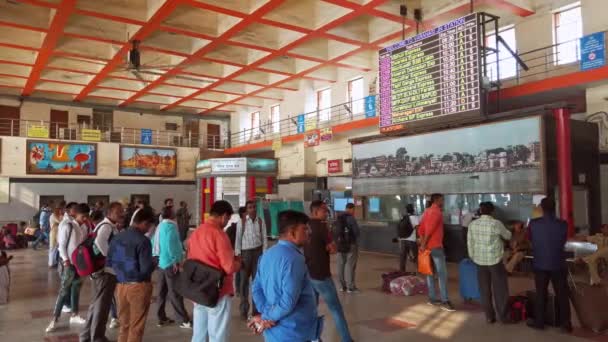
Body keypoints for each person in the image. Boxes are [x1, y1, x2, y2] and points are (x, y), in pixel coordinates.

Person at [250, 210, 322, 342]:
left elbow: (256, 288)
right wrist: (267, 316)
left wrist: (265, 314)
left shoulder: (267, 255)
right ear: (292, 233)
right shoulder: (294, 259)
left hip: (274, 333)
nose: (308, 232)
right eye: (304, 229)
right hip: (294, 332)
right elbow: (287, 303)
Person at [188, 200, 241, 342]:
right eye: (228, 219)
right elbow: (229, 267)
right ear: (224, 216)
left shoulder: (196, 232)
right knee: (218, 334)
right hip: (217, 291)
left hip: (198, 289)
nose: (227, 223)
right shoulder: (219, 235)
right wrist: (238, 263)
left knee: (198, 334)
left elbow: (190, 261)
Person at [304, 200, 353, 342]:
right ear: (316, 211)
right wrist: (331, 246)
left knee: (311, 310)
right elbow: (333, 249)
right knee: (336, 309)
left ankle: (314, 338)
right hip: (321, 275)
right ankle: (346, 339)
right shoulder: (322, 227)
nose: (326, 213)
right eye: (324, 210)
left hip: (308, 274)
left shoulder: (305, 226)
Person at [107, 207, 157, 342]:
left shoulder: (117, 237)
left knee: (124, 325)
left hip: (121, 286)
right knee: (136, 327)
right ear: (144, 223)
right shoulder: (143, 241)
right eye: (149, 226)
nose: (149, 230)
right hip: (138, 287)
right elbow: (145, 269)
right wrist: (154, 262)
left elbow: (110, 262)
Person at [80, 202, 124, 342]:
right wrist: (111, 259)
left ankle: (86, 335)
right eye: (118, 212)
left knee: (96, 304)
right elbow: (100, 242)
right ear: (109, 213)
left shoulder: (107, 226)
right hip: (105, 272)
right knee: (102, 306)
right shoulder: (106, 227)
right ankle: (97, 337)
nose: (121, 214)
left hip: (101, 271)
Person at [527, 197, 572, 333]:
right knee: (562, 294)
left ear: (541, 208)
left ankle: (539, 322)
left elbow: (531, 240)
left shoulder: (533, 224)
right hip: (558, 263)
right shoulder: (563, 224)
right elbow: (563, 241)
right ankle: (565, 324)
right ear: (555, 207)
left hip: (540, 264)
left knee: (541, 293)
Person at [46, 203, 91, 333]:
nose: (85, 219)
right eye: (83, 216)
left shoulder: (84, 227)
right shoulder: (67, 225)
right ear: (75, 213)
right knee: (64, 290)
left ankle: (74, 315)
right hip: (69, 263)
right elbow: (62, 245)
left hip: (79, 263)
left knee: (76, 288)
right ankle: (54, 319)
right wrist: (65, 260)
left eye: (87, 216)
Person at [467, 202, 512, 324]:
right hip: (495, 261)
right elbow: (508, 236)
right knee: (500, 289)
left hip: (479, 261)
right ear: (492, 211)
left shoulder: (473, 224)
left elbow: (470, 243)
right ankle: (503, 317)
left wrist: (473, 257)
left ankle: (489, 316)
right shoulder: (495, 224)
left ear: (480, 211)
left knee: (484, 289)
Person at [154, 207, 191, 329]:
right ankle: (183, 320)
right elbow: (171, 244)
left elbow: (154, 242)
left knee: (161, 292)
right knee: (175, 292)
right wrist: (176, 260)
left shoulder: (159, 227)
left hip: (161, 263)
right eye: (174, 212)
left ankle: (161, 318)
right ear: (171, 215)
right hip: (170, 264)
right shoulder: (171, 227)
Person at [418, 194, 455, 311]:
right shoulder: (436, 212)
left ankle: (432, 298)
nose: (443, 201)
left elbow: (421, 229)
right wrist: (424, 244)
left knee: (429, 272)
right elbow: (429, 230)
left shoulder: (427, 211)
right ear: (437, 200)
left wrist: (423, 243)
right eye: (442, 199)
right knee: (442, 274)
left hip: (427, 247)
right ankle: (445, 301)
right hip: (435, 247)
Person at [235, 200, 268, 320]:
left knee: (257, 283)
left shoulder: (260, 221)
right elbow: (237, 240)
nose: (253, 209)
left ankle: (256, 311)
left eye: (254, 207)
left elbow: (264, 238)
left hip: (258, 253)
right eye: (250, 207)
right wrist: (238, 256)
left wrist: (264, 255)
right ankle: (244, 310)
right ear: (246, 210)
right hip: (245, 254)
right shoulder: (241, 222)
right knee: (244, 283)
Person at [335, 202, 360, 293]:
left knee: (340, 265)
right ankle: (351, 287)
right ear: (351, 209)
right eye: (354, 209)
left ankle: (342, 286)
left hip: (340, 245)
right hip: (351, 245)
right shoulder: (351, 218)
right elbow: (357, 232)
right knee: (350, 265)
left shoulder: (338, 218)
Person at [225, 206, 246, 296]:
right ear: (243, 214)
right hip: (238, 249)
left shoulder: (245, 224)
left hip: (241, 249)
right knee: (239, 269)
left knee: (240, 270)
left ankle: (238, 289)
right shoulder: (239, 225)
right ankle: (238, 289)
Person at [398, 204, 420, 273]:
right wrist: (419, 238)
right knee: (416, 255)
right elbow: (417, 229)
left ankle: (402, 271)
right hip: (412, 240)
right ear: (413, 209)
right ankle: (418, 270)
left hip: (403, 239)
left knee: (402, 256)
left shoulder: (403, 217)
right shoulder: (415, 218)